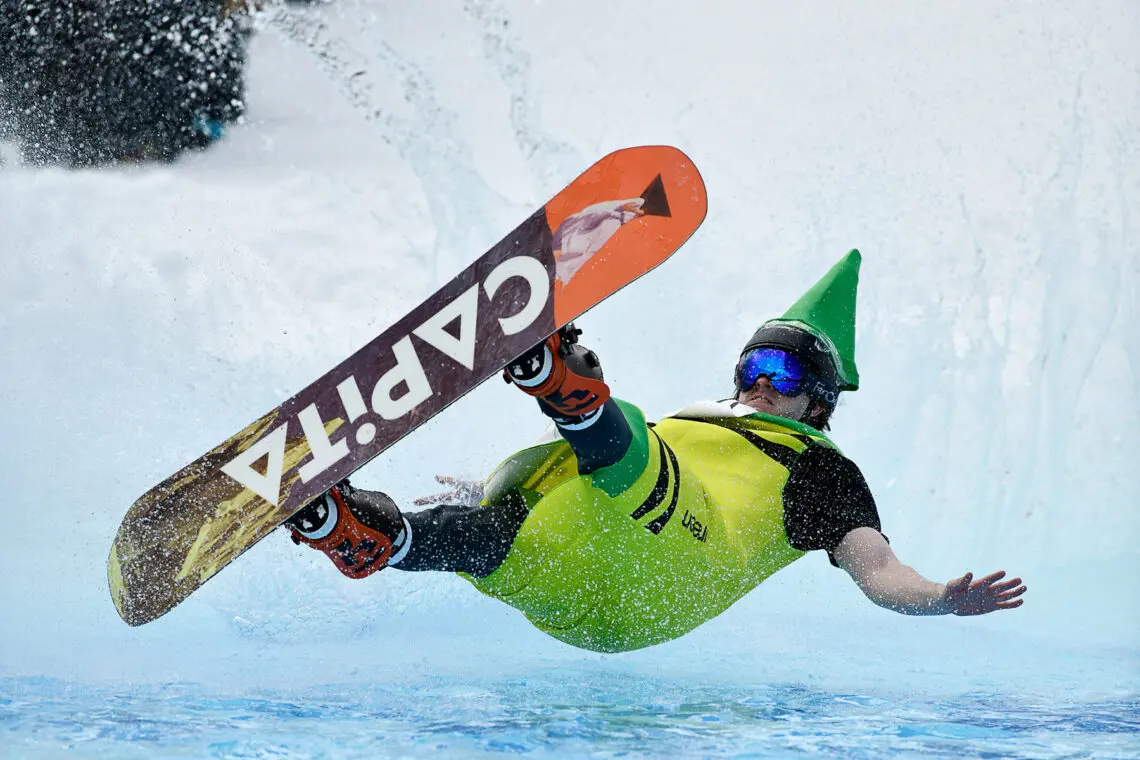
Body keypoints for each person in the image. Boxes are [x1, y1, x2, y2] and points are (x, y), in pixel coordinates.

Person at [285, 250, 1027, 653]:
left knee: (635, 454)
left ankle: (558, 382)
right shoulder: (698, 421)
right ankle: (359, 533)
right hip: (578, 592)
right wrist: (486, 484)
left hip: (672, 570)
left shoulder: (822, 472)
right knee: (495, 531)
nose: (761, 384)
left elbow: (878, 569)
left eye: (785, 373)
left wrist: (937, 599)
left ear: (820, 403)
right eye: (753, 366)